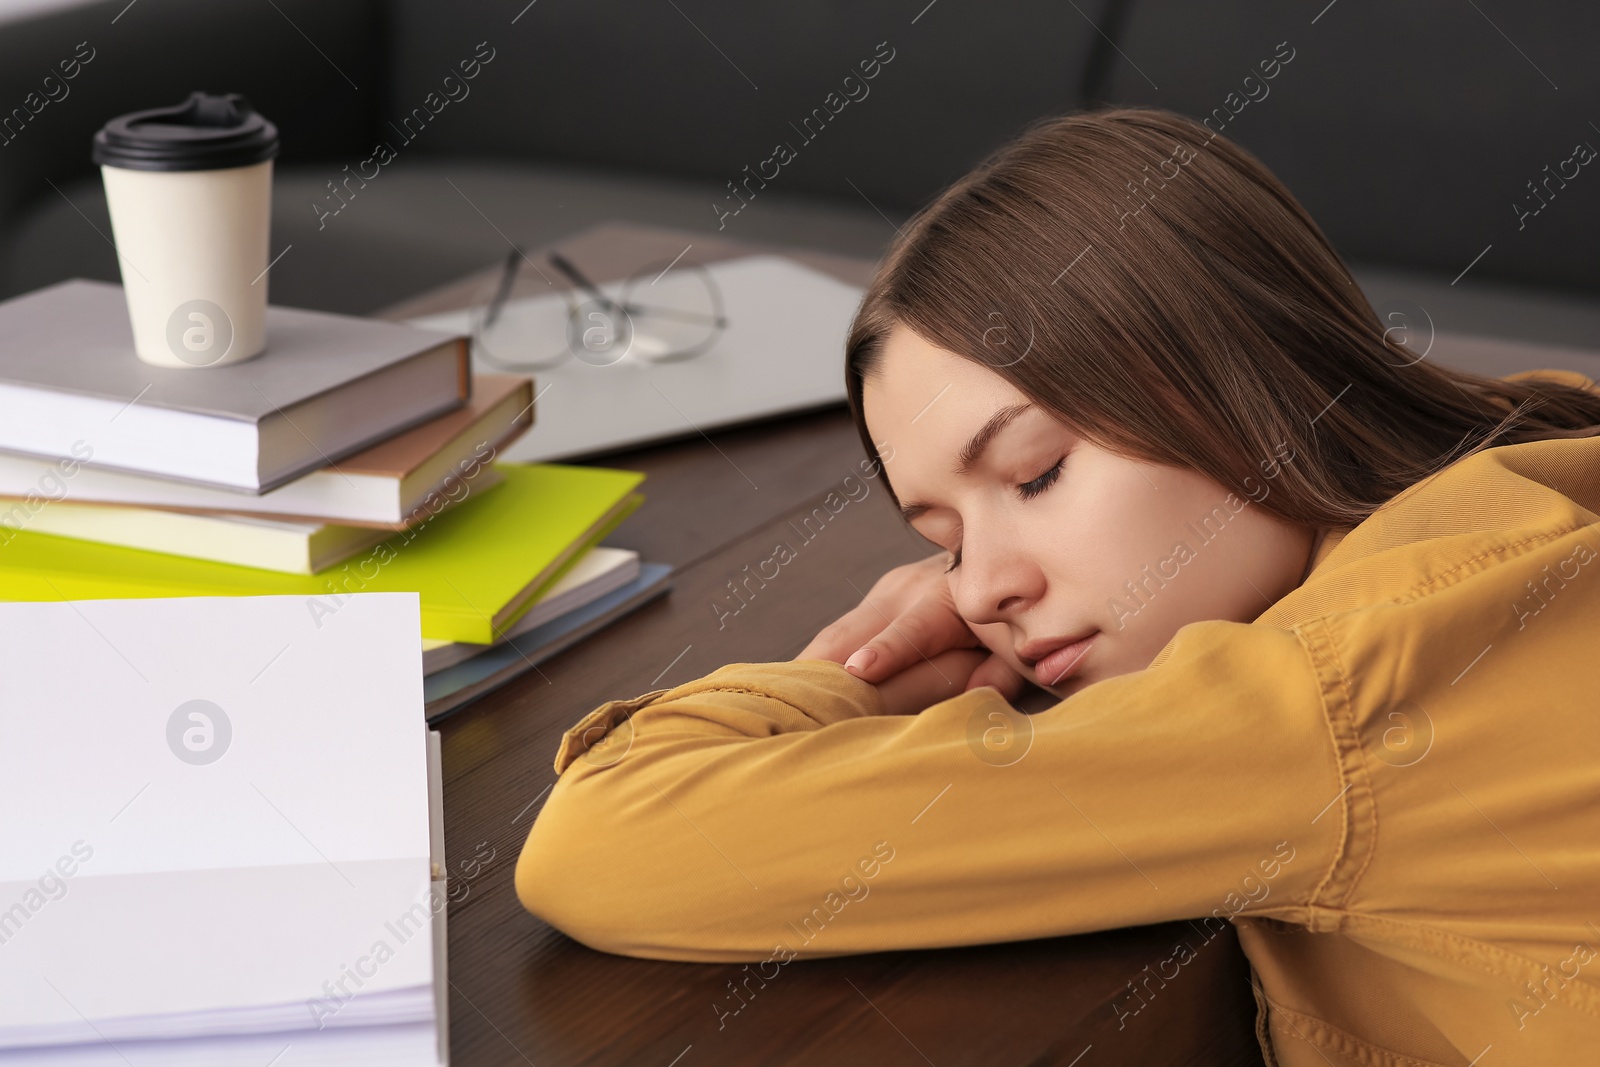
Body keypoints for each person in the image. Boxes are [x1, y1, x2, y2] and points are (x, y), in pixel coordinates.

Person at [515, 107, 1600, 1065]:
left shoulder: (1332, 698)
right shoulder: (1538, 449)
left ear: (1246, 369)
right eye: (939, 538)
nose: (984, 587)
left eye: (1035, 471)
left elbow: (600, 842)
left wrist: (845, 680)